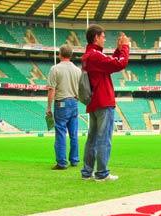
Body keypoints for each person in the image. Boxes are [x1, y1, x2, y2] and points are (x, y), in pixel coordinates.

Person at [81, 24, 130, 181]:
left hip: (94, 102)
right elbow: (119, 64)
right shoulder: (95, 55)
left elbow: (107, 65)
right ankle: (102, 173)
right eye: (103, 36)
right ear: (96, 37)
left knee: (92, 138)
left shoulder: (89, 55)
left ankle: (87, 172)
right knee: (103, 138)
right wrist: (126, 48)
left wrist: (118, 50)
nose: (104, 39)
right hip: (103, 100)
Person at [47, 45, 82, 170]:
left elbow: (51, 89)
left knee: (61, 133)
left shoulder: (55, 69)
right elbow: (80, 89)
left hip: (61, 102)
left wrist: (48, 106)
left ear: (60, 54)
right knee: (73, 133)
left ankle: (62, 162)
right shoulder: (78, 70)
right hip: (74, 102)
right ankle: (74, 159)